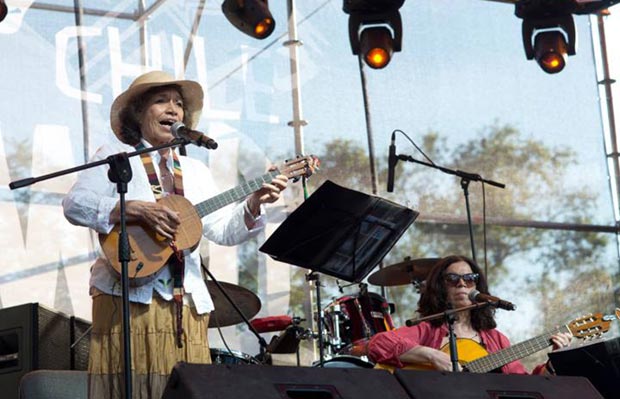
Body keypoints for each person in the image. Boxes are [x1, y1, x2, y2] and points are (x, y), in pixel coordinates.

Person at [63, 70, 288, 398]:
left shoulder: (195, 171)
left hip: (186, 306)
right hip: (128, 299)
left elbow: (224, 230)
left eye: (179, 104)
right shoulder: (116, 159)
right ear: (139, 114)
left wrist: (253, 202)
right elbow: (75, 204)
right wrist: (136, 210)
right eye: (161, 101)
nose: (173, 110)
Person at [367, 255, 572, 374]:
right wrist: (432, 354)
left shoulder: (496, 339)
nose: (462, 283)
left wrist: (553, 362)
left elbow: (522, 387)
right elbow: (378, 344)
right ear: (440, 287)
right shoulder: (428, 329)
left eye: (469, 278)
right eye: (453, 278)